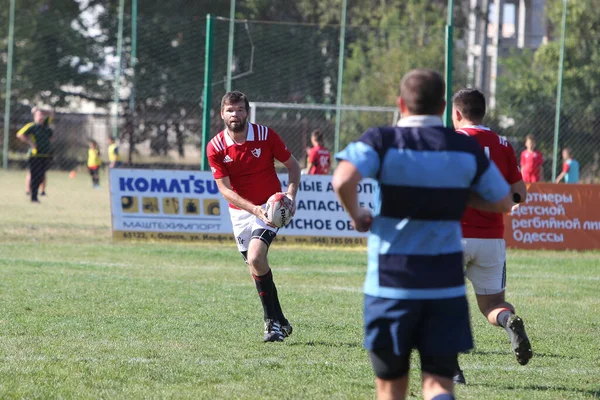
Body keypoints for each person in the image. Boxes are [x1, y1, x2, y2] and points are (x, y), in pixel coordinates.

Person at [332, 69, 514, 400]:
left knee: (391, 387)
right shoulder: (462, 148)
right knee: (438, 384)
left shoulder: (381, 139)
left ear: (401, 103)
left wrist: (358, 216)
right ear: (443, 106)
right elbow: (503, 200)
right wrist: (457, 193)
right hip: (444, 287)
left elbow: (342, 179)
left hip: (389, 284)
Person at [452, 88, 532, 385]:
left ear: (458, 113)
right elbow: (520, 194)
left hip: (455, 235)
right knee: (492, 305)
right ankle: (508, 320)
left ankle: (452, 369)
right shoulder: (503, 143)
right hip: (492, 239)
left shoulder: (453, 141)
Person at [206, 91, 301, 342]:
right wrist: (252, 209)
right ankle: (280, 319)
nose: (235, 114)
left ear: (247, 112)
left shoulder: (265, 135)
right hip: (241, 213)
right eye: (230, 110)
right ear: (222, 114)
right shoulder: (215, 147)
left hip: (269, 208)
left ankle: (271, 325)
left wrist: (289, 196)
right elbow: (225, 189)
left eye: (239, 109)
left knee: (257, 257)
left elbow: (293, 165)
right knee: (255, 267)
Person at [16, 107, 54, 203]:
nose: (41, 116)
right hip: (35, 155)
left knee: (41, 176)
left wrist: (40, 109)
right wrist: (31, 143)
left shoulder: (46, 126)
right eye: (38, 115)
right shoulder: (32, 126)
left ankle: (35, 196)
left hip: (45, 155)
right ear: (34, 116)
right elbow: (20, 134)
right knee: (35, 176)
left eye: (42, 115)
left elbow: (51, 113)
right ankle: (33, 197)